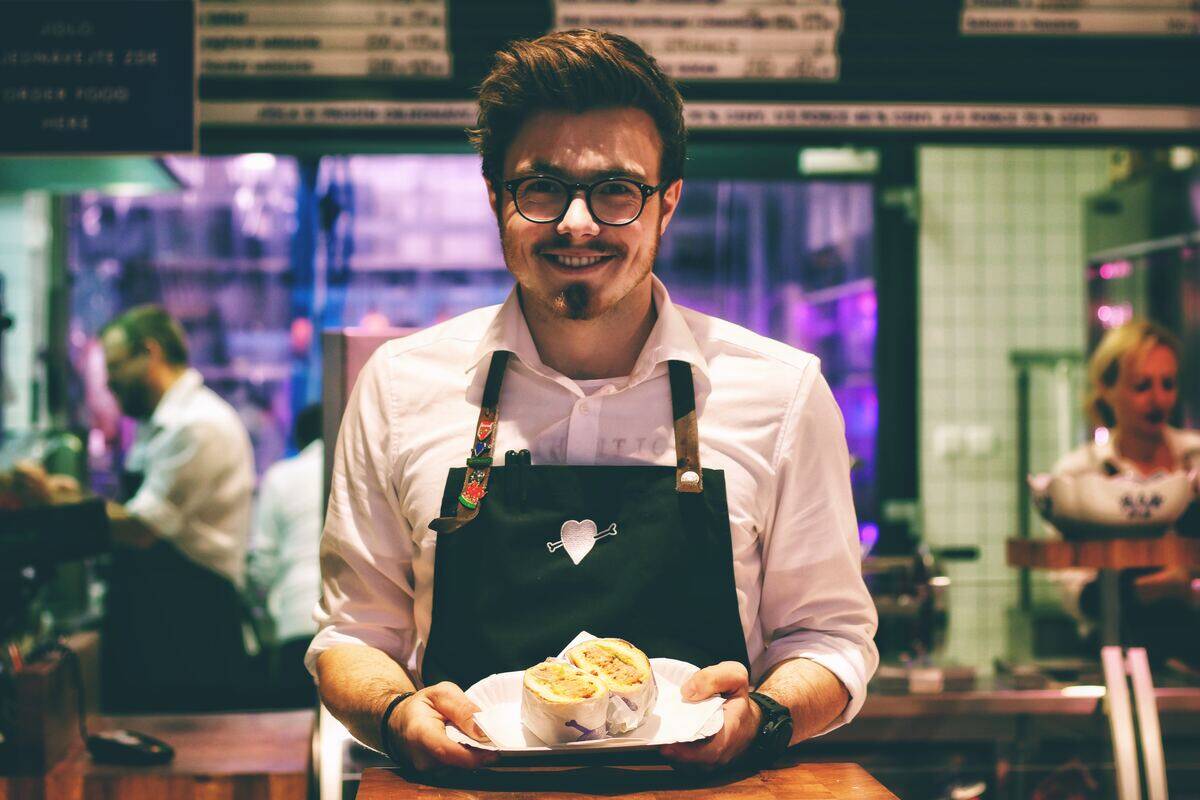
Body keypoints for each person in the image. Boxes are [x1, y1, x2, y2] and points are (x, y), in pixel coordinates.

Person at [309, 29, 878, 772]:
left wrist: (762, 719)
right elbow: (352, 635)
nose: (577, 222)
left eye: (615, 190)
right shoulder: (399, 386)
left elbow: (831, 640)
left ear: (666, 204)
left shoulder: (780, 393)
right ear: (495, 200)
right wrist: (394, 714)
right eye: (541, 188)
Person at [96, 304, 256, 710]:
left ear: (150, 354)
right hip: (163, 615)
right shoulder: (160, 424)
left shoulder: (197, 424)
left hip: (191, 623)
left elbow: (141, 528)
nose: (108, 381)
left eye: (114, 366)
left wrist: (62, 508)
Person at [1053, 320, 1200, 662]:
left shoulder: (1195, 458)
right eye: (1141, 386)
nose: (1157, 399)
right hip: (1114, 648)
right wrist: (1150, 591)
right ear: (1106, 388)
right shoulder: (1078, 474)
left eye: (1167, 384)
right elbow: (1075, 593)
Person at [247, 403, 323, 707]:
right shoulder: (367, 470)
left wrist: (264, 618)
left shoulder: (282, 476)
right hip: (359, 635)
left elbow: (262, 564)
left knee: (295, 734)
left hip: (296, 620)